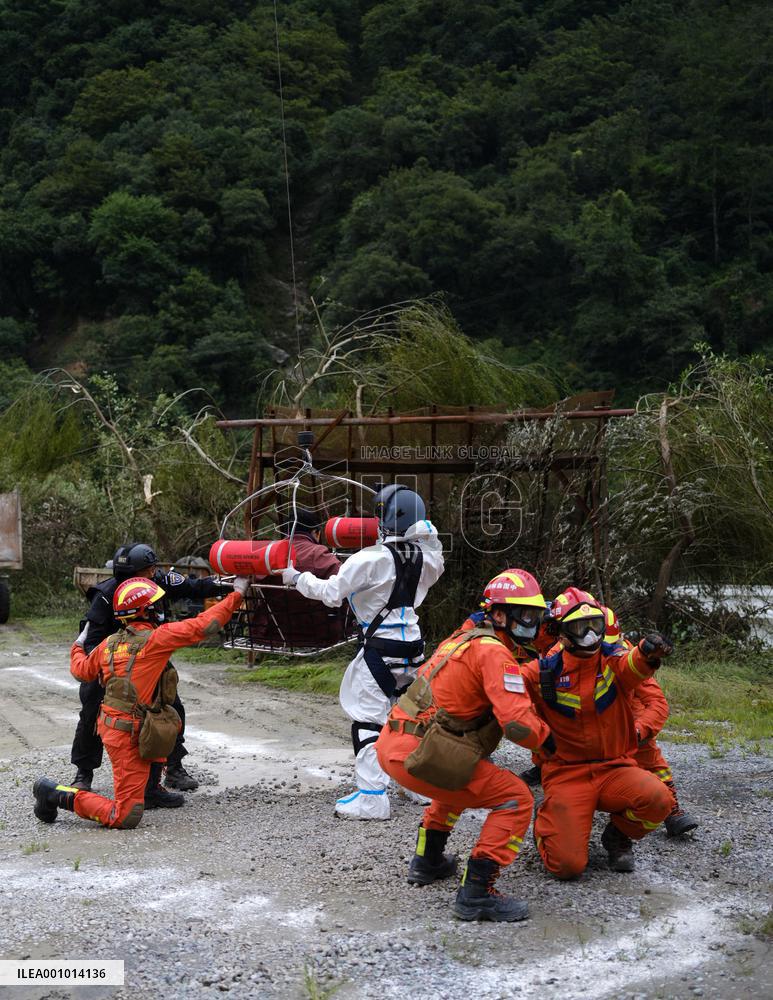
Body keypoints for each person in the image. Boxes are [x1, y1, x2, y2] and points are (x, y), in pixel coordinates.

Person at [376, 569, 555, 922]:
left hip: (397, 744)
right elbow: (517, 724)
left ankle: (427, 862)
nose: (531, 623)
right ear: (499, 614)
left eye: (536, 616)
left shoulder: (463, 639)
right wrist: (549, 744)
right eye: (526, 615)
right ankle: (476, 893)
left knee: (454, 781)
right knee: (516, 799)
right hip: (419, 752)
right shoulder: (495, 654)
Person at [282, 485, 444, 820]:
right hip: (412, 649)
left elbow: (331, 592)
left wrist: (298, 578)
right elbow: (435, 556)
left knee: (368, 721)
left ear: (382, 518)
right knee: (407, 718)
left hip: (380, 650)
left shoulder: (369, 559)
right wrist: (428, 535)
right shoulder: (425, 559)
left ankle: (372, 797)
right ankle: (415, 783)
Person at [33, 577, 248, 830]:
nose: (159, 610)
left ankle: (150, 789)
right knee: (125, 816)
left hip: (123, 726)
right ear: (147, 611)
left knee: (164, 719)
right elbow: (205, 625)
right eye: (156, 606)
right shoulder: (157, 640)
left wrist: (79, 645)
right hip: (126, 735)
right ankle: (53, 793)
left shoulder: (108, 644)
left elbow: (80, 671)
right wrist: (237, 594)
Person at [520, 587, 675, 877]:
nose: (590, 635)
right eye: (580, 628)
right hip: (566, 774)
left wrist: (647, 652)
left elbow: (633, 667)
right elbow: (508, 692)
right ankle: (547, 820)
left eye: (595, 626)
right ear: (562, 634)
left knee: (660, 799)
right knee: (566, 867)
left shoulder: (614, 659)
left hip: (615, 768)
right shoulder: (543, 672)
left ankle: (617, 835)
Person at [70, 542, 232, 803]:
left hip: (149, 661)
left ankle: (173, 769)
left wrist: (229, 586)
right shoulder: (105, 596)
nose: (153, 573)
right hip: (113, 665)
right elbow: (92, 640)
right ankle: (83, 773)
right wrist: (105, 671)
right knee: (91, 710)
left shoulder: (161, 580)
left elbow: (193, 587)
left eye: (153, 569)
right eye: (148, 570)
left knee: (171, 710)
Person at [248, 509, 343, 650]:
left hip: (274, 633)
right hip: (317, 634)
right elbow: (342, 584)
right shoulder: (317, 553)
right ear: (315, 533)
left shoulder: (267, 554)